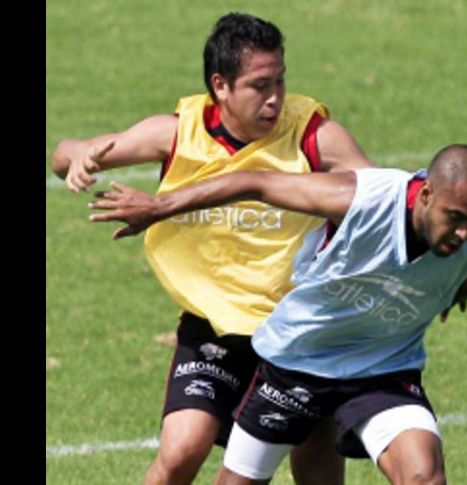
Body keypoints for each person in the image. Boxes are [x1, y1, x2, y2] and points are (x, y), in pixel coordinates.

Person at [51, 12, 377, 485]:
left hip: (299, 331)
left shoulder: (313, 136)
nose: (275, 98)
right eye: (260, 85)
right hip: (212, 329)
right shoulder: (179, 133)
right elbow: (65, 151)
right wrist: (75, 157)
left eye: (281, 82)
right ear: (220, 86)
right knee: (182, 451)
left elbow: (386, 196)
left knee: (318, 468)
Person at [88, 143, 467, 484]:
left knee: (424, 477)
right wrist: (159, 207)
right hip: (297, 362)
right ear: (426, 194)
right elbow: (255, 181)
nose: (463, 233)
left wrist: (463, 285)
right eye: (455, 218)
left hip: (383, 370)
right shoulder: (361, 200)